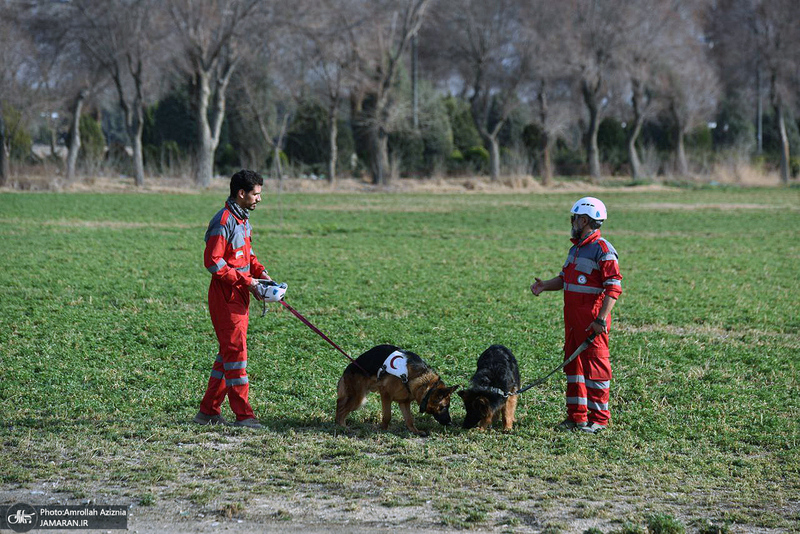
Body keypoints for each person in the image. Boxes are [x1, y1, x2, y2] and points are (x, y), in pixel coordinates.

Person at [530, 197, 622, 434]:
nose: (571, 222)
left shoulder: (603, 250)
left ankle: (599, 420)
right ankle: (576, 417)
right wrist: (544, 286)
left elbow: (614, 287)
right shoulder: (575, 248)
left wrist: (601, 319)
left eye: (574, 218)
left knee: (596, 371)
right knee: (574, 370)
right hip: (572, 324)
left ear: (584, 219)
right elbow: (564, 279)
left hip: (592, 324)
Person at [193, 169, 271, 429]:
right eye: (256, 194)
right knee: (236, 355)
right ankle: (244, 416)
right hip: (225, 297)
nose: (259, 198)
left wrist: (262, 275)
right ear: (241, 194)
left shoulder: (243, 219)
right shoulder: (223, 220)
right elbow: (213, 263)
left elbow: (247, 257)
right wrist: (245, 281)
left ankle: (208, 412)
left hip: (240, 296)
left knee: (228, 355)